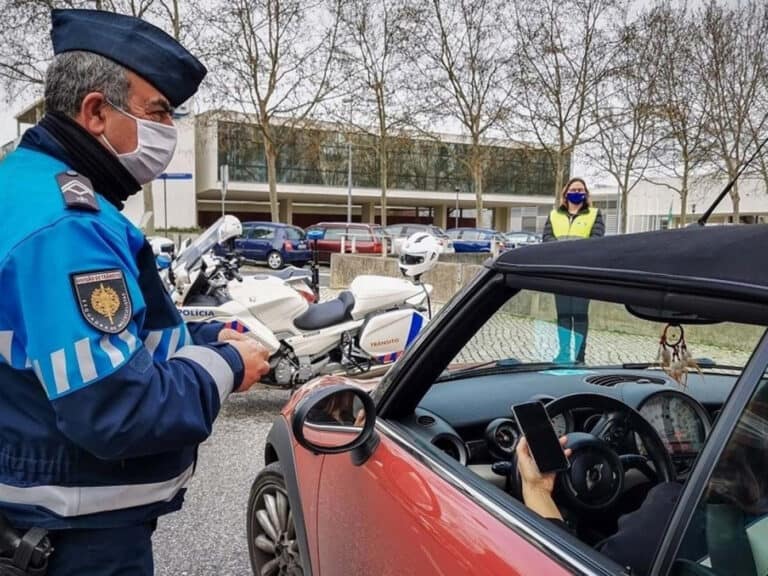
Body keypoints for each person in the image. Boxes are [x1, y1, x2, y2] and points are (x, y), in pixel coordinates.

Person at [0, 9, 271, 576]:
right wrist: (226, 362)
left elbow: (80, 342)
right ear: (96, 111)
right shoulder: (69, 226)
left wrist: (197, 335)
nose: (168, 131)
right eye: (158, 112)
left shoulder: (22, 187)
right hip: (73, 540)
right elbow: (117, 410)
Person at [542, 178, 605, 364]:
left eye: (581, 189)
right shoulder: (554, 215)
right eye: (574, 189)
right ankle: (563, 353)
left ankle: (579, 356)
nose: (577, 192)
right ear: (566, 193)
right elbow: (546, 238)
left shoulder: (594, 214)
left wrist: (567, 249)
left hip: (581, 274)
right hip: (560, 273)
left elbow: (596, 241)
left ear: (585, 194)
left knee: (579, 316)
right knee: (562, 316)